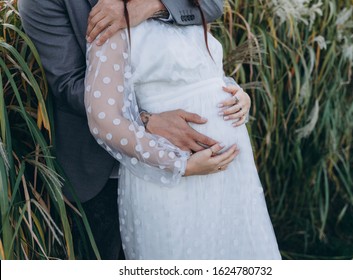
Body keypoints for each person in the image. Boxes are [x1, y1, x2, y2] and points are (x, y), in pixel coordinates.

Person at [18, 0, 236, 259]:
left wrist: (151, 6)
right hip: (99, 169)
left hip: (189, 153)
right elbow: (68, 83)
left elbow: (212, 6)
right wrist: (147, 118)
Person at [84, 0, 281, 259]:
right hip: (171, 178)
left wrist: (238, 94)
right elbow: (104, 120)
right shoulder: (113, 22)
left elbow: (203, 76)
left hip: (231, 174)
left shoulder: (182, 9)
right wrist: (179, 165)